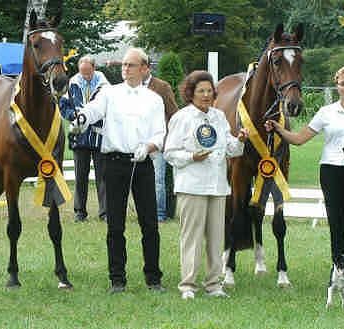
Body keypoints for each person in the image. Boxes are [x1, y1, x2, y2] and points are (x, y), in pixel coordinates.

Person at [265, 64, 344, 293]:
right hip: (330, 172)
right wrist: (278, 128)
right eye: (342, 83)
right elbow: (298, 139)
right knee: (336, 225)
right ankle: (339, 276)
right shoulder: (326, 112)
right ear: (337, 85)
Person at [70, 48, 165, 293]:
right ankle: (117, 279)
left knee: (150, 224)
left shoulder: (154, 99)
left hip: (142, 164)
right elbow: (93, 110)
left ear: (145, 69)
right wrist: (81, 119)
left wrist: (149, 146)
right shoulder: (109, 93)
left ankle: (153, 278)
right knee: (115, 225)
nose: (125, 69)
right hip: (113, 163)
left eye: (131, 65)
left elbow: (160, 134)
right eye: (123, 64)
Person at [164, 71, 249, 300]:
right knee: (191, 238)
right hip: (192, 186)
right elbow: (170, 153)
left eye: (209, 91)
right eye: (200, 91)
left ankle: (213, 284)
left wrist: (240, 140)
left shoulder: (219, 117)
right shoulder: (181, 118)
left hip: (218, 186)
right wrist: (193, 157)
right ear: (190, 93)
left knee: (216, 237)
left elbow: (229, 148)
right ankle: (188, 285)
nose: (205, 95)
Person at [59, 55, 110, 222]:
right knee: (80, 175)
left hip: (99, 135)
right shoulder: (72, 84)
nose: (85, 76)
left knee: (103, 176)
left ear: (94, 69)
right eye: (82, 73)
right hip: (79, 136)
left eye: (88, 73)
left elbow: (111, 107)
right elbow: (63, 106)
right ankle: (80, 212)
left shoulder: (105, 86)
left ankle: (105, 212)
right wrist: (71, 115)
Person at [142, 60, 179, 222]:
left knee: (158, 180)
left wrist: (170, 137)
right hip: (137, 141)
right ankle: (144, 212)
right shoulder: (130, 87)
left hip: (158, 141)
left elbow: (173, 112)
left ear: (148, 68)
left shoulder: (162, 86)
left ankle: (159, 214)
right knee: (140, 180)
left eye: (141, 67)